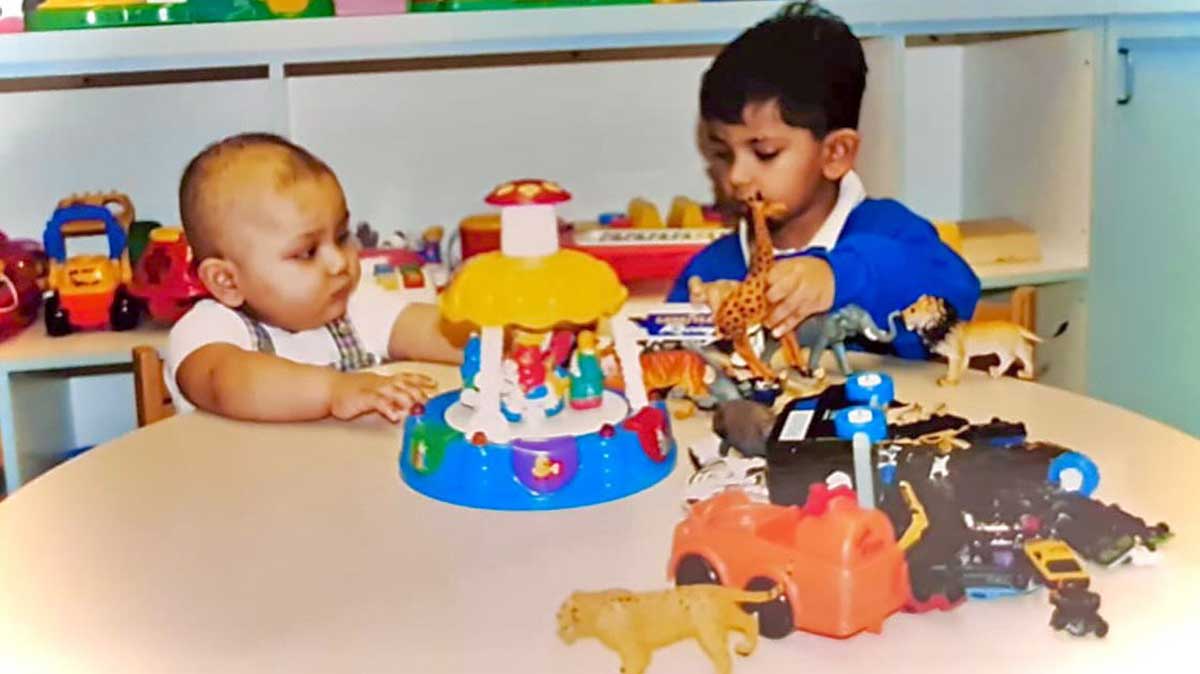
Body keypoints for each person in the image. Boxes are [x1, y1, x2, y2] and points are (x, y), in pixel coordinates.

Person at [668, 1, 980, 359]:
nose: (736, 176)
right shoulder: (714, 266)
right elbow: (672, 365)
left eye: (765, 152)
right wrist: (705, 323)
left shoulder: (889, 231)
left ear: (835, 153)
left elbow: (958, 289)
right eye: (722, 155)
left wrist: (839, 276)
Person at [166, 133, 460, 422]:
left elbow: (435, 330)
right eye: (307, 252)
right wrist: (335, 391)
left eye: (342, 236)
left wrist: (497, 338)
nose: (338, 263)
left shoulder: (354, 305)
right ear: (227, 281)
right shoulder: (205, 331)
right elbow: (228, 385)